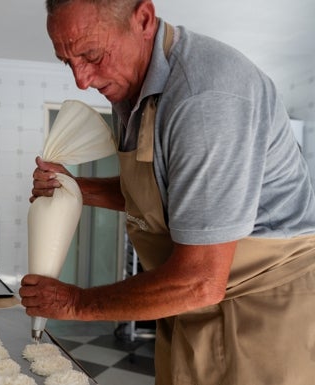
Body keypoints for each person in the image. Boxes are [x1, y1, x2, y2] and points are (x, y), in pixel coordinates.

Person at [18, 1, 315, 384]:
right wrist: (75, 187)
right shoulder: (133, 91)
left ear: (143, 19)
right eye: (67, 61)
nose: (81, 80)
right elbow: (166, 198)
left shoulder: (204, 99)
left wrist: (75, 302)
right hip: (191, 306)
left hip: (257, 315)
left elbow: (202, 279)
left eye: (92, 55)